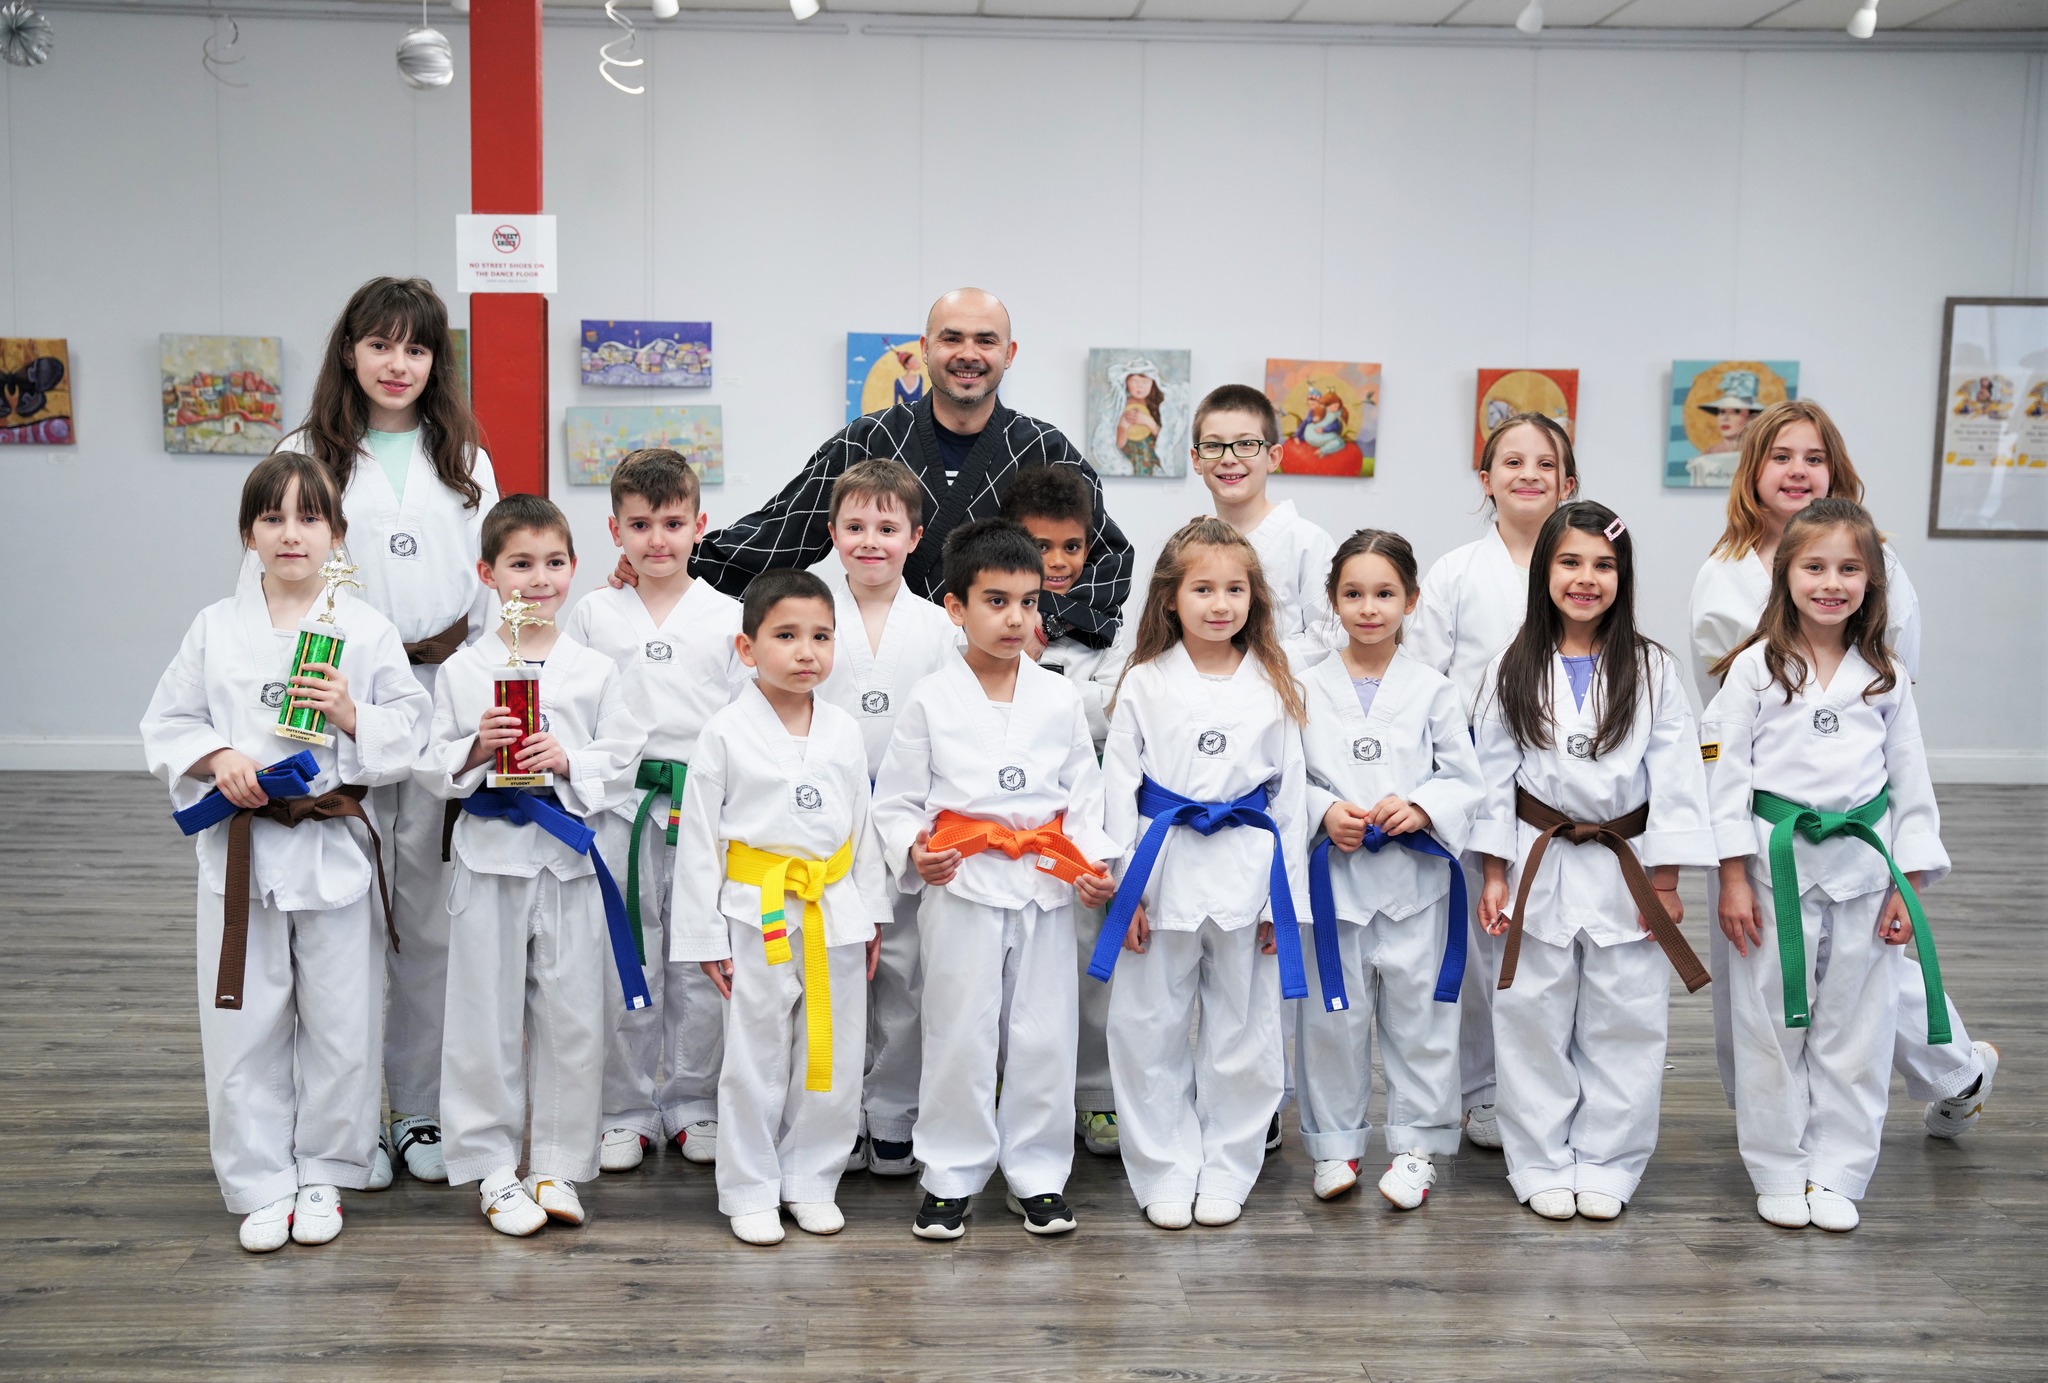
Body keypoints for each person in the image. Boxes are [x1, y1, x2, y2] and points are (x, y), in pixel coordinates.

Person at [142, 453, 430, 1252]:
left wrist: (350, 713)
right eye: (272, 518)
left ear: (337, 533)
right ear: (248, 534)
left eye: (309, 517)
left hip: (332, 848)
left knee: (342, 1020)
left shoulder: (364, 629)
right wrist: (218, 756)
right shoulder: (214, 626)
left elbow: (412, 730)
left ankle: (327, 1169)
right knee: (243, 1022)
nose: (291, 533)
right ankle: (261, 1178)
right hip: (244, 854)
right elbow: (168, 721)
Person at [1686, 400, 1992, 1134]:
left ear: (1836, 470)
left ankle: (1952, 1071)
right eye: (1781, 456)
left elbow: (1894, 672)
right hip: (1762, 805)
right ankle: (1771, 1110)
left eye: (1814, 458)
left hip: (1853, 805)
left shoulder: (1875, 555)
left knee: (1864, 964)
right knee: (1759, 964)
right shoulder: (1724, 570)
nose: (1798, 470)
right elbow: (1723, 701)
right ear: (1752, 470)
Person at [279, 275, 498, 1187]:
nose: (397, 364)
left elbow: (495, 595)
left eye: (416, 347)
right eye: (380, 344)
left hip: (442, 697)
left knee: (429, 922)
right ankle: (344, 1121)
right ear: (349, 351)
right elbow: (277, 585)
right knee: (344, 924)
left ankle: (417, 1107)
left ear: (436, 360)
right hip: (339, 696)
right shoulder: (305, 453)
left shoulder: (467, 459)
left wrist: (487, 707)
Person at [1702, 499, 1951, 1232]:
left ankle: (1839, 1170)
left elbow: (1911, 784)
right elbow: (1725, 779)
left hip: (1866, 871)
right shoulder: (1753, 669)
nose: (1831, 583)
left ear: (1872, 581)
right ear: (1786, 573)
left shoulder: (1886, 676)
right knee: (1768, 1024)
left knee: (1860, 1025)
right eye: (1815, 566)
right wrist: (1732, 875)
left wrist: (1910, 884)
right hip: (1772, 870)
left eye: (1849, 569)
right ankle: (1779, 1166)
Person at [872, 520, 1120, 1240]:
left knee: (1044, 1035)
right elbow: (897, 801)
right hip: (962, 883)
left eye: (1028, 602)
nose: (1016, 618)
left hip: (1044, 882)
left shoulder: (1058, 698)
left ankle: (1038, 1174)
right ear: (956, 607)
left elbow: (1085, 798)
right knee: (960, 1032)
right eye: (996, 601)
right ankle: (950, 1175)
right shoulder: (930, 698)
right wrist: (916, 850)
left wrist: (1092, 864)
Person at [1472, 502, 1715, 1223]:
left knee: (1626, 1019)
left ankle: (1609, 1160)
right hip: (1537, 861)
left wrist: (1665, 880)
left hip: (1624, 866)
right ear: (1544, 571)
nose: (1587, 578)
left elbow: (1677, 778)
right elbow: (1492, 776)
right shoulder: (1511, 665)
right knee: (1531, 1019)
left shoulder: (1654, 668)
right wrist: (1493, 872)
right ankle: (1540, 1159)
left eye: (1603, 565)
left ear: (1623, 575)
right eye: (1570, 562)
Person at [419, 496, 646, 1236]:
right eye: (520, 564)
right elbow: (432, 765)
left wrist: (570, 759)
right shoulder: (464, 670)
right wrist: (476, 747)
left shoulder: (596, 670)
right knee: (482, 1018)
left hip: (570, 859)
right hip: (490, 858)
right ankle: (490, 1166)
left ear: (574, 568)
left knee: (574, 1016)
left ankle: (556, 1163)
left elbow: (623, 756)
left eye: (553, 563)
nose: (538, 579)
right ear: (487, 574)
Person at [681, 288, 1134, 653]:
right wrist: (676, 559)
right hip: (887, 649)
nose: (968, 354)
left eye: (985, 340)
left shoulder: (1044, 448)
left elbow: (1110, 558)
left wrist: (1044, 619)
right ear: (925, 348)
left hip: (1000, 661)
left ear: (1009, 353)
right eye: (951, 338)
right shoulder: (869, 439)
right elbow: (783, 530)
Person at [1094, 517, 1309, 1231]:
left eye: (1235, 589)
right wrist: (1124, 891)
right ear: (1170, 598)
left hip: (1249, 868)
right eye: (1203, 589)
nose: (1221, 604)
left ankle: (1227, 1165)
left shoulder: (1274, 683)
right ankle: (1163, 1167)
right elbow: (1117, 791)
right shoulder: (1144, 682)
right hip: (1161, 867)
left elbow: (1292, 800)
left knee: (1246, 1029)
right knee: (1146, 1026)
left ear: (1255, 597)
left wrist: (1285, 903)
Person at [670, 570, 890, 1246]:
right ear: (747, 648)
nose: (806, 652)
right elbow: (699, 840)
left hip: (833, 907)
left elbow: (863, 827)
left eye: (821, 637)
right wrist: (705, 936)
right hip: (755, 910)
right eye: (787, 635)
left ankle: (811, 1179)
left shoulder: (844, 729)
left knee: (833, 1051)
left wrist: (871, 911)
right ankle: (750, 1187)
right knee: (755, 1053)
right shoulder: (724, 732)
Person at [560, 450, 749, 1174]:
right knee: (626, 951)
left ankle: (693, 1098)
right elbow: (574, 706)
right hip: (621, 805)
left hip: (702, 807)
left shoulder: (728, 615)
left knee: (700, 954)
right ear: (615, 530)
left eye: (673, 523)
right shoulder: (594, 613)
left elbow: (744, 719)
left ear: (700, 525)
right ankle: (626, 1106)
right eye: (640, 525)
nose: (657, 539)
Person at [1405, 412, 1579, 1153]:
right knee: (1482, 940)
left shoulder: (1585, 567)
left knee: (1562, 939)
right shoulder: (1455, 573)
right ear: (1485, 479)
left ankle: (1558, 1083)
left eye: (1545, 463)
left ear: (1569, 482)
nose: (1528, 474)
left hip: (1572, 784)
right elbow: (1424, 681)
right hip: (1478, 777)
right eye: (1512, 461)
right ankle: (1481, 1088)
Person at [1295, 530, 1482, 1209]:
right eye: (1353, 593)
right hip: (1334, 884)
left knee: (1422, 1018)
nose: (1368, 608)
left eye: (1384, 593)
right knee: (1330, 1020)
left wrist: (1422, 807)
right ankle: (1335, 1144)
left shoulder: (1434, 690)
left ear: (1411, 599)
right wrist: (1323, 811)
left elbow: (1464, 778)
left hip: (1415, 886)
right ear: (1332, 599)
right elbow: (1286, 777)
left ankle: (1416, 1149)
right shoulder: (1303, 687)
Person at [811, 458, 960, 1178]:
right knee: (833, 966)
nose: (871, 541)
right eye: (856, 526)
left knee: (903, 969)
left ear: (915, 537)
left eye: (887, 527)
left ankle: (895, 1109)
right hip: (824, 820)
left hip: (909, 818)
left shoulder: (938, 627)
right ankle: (832, 1117)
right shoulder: (807, 614)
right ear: (832, 531)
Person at [999, 465, 1132, 1157]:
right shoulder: (990, 619)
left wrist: (1032, 680)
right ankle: (1006, 1088)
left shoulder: (1109, 632)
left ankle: (1097, 1095)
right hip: (998, 827)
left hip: (1079, 821)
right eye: (1039, 544)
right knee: (1006, 970)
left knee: (1089, 960)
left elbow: (1111, 711)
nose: (1056, 561)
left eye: (1072, 547)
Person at [1190, 383, 1336, 668]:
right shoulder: (1193, 545)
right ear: (1197, 460)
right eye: (1213, 446)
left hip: (1282, 689)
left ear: (1272, 457)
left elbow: (1328, 637)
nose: (1228, 459)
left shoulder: (1308, 542)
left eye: (1246, 444)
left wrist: (1246, 667)